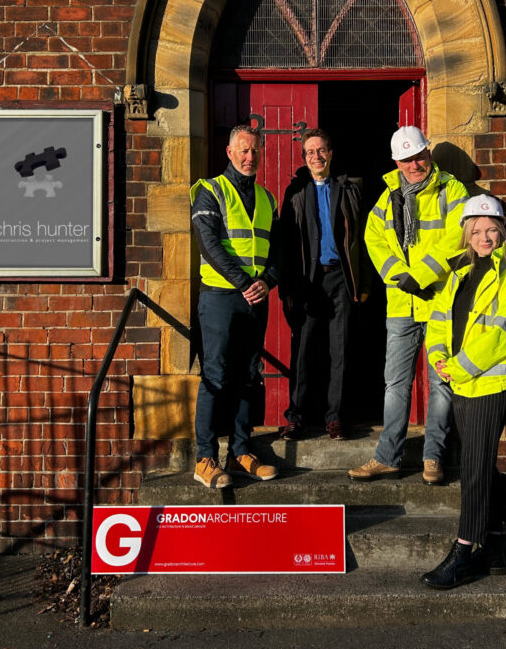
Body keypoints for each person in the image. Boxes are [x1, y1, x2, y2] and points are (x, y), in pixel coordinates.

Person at [420, 194, 506, 589]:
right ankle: (492, 544)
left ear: (502, 232)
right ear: (466, 233)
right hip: (461, 383)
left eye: (491, 230)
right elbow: (439, 322)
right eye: (476, 230)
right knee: (480, 464)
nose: (484, 237)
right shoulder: (458, 274)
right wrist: (439, 356)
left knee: (472, 467)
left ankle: (464, 551)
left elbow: (505, 334)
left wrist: (456, 366)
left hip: (490, 385)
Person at [349, 126, 468, 485]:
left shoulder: (452, 189)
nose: (413, 164)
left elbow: (461, 235)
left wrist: (424, 274)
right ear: (396, 162)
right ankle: (388, 457)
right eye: (406, 159)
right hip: (402, 303)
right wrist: (398, 275)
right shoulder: (388, 197)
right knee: (395, 384)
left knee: (440, 382)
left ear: (428, 154)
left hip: (440, 301)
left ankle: (434, 458)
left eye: (418, 156)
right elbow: (373, 238)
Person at [189, 124, 280, 489]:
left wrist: (267, 281)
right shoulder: (210, 191)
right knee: (215, 376)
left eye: (255, 151)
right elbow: (209, 245)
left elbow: (277, 251)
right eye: (243, 150)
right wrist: (245, 283)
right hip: (220, 298)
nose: (249, 157)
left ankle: (241, 451)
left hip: (255, 298)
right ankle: (205, 458)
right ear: (229, 152)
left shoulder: (267, 198)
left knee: (249, 375)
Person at [278, 128, 372, 441]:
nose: (316, 157)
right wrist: (288, 289)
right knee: (303, 350)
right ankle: (297, 417)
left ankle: (335, 418)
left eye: (321, 151)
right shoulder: (296, 191)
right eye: (309, 153)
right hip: (308, 280)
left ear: (330, 153)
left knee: (340, 351)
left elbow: (362, 240)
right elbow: (287, 245)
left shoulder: (349, 188)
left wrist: (363, 282)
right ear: (304, 158)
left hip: (341, 279)